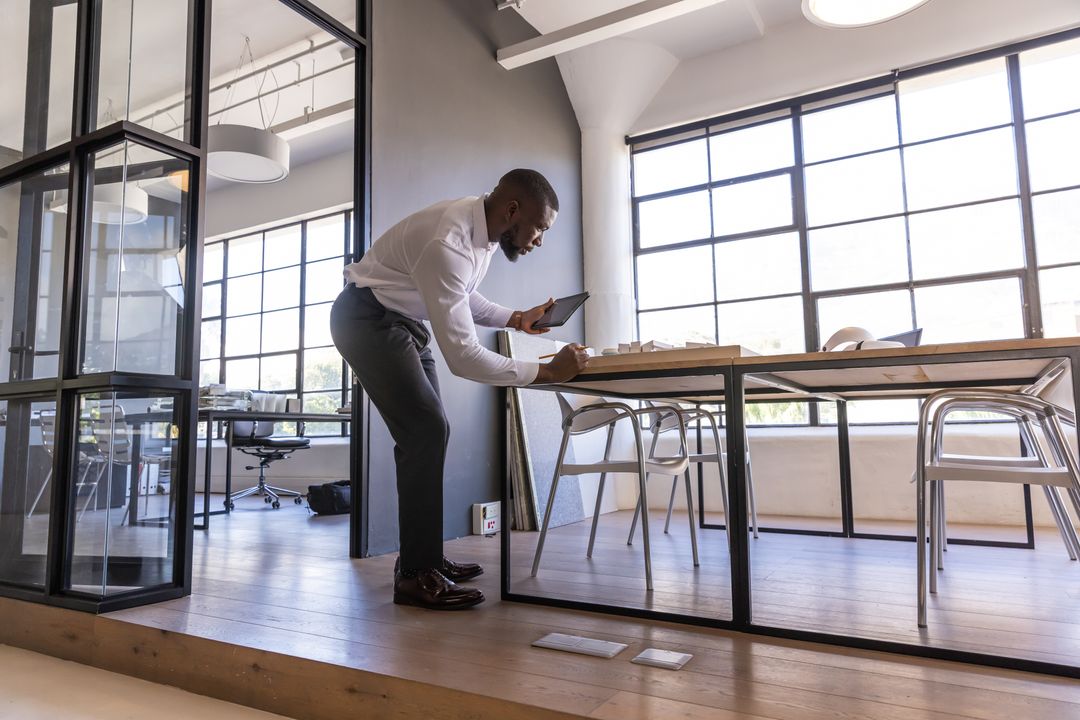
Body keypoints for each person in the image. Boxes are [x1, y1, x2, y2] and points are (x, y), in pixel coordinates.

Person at [330, 169, 589, 610]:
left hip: (402, 321)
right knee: (424, 430)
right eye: (540, 228)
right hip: (366, 320)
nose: (540, 240)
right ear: (513, 210)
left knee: (431, 432)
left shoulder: (481, 233)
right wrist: (548, 373)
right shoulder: (447, 242)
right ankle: (415, 576)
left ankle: (422, 560)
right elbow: (464, 358)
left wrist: (515, 318)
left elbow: (462, 294)